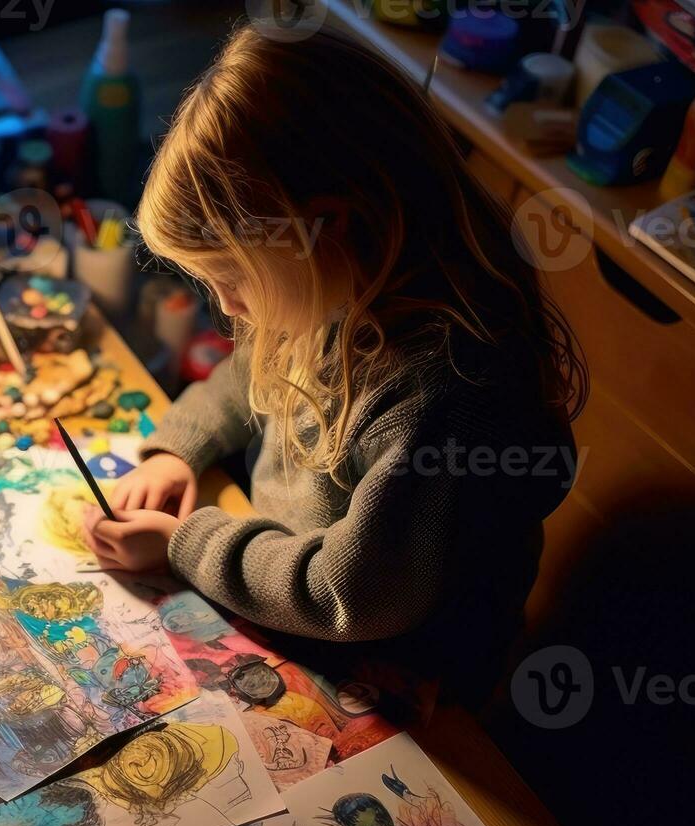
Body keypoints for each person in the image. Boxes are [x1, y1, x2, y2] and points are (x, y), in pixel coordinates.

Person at [83, 26, 587, 703]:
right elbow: (251, 376)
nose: (226, 306)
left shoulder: (449, 393)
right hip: (282, 599)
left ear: (327, 226)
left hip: (404, 681)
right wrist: (178, 450)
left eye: (233, 275)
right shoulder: (346, 277)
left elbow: (348, 593)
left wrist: (187, 544)